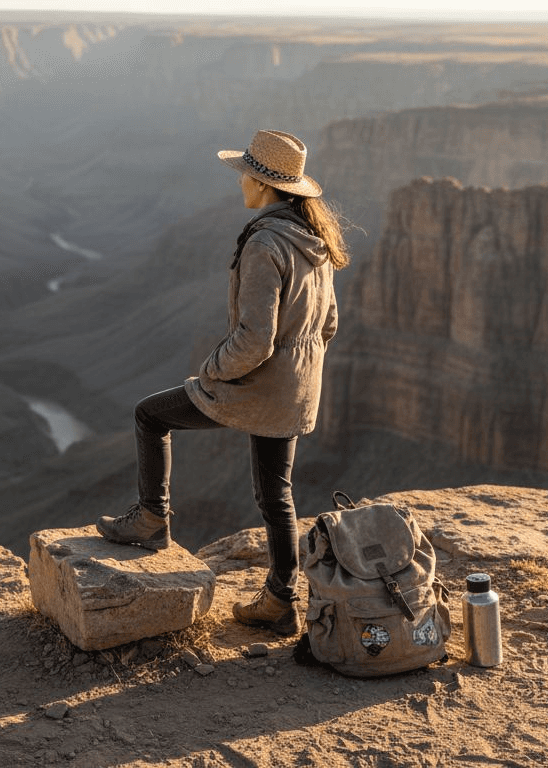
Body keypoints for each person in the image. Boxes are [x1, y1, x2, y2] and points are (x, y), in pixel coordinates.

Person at [96, 129, 349, 637]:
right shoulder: (314, 241)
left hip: (257, 383)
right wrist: (295, 370)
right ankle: (280, 600)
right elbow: (328, 325)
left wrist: (212, 369)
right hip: (299, 387)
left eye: (245, 177)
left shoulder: (265, 243)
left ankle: (151, 519)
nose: (240, 186)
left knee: (150, 415)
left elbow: (254, 340)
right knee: (277, 492)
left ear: (262, 183)